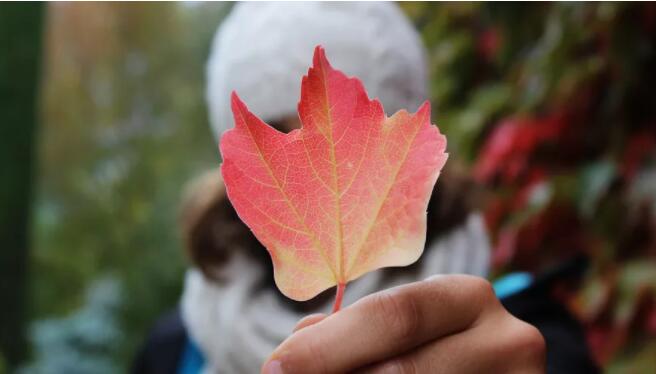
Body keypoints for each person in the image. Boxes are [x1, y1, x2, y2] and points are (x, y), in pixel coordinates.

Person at [133, 3, 598, 373]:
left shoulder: (519, 331)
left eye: (356, 146)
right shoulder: (172, 351)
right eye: (283, 143)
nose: (322, 184)